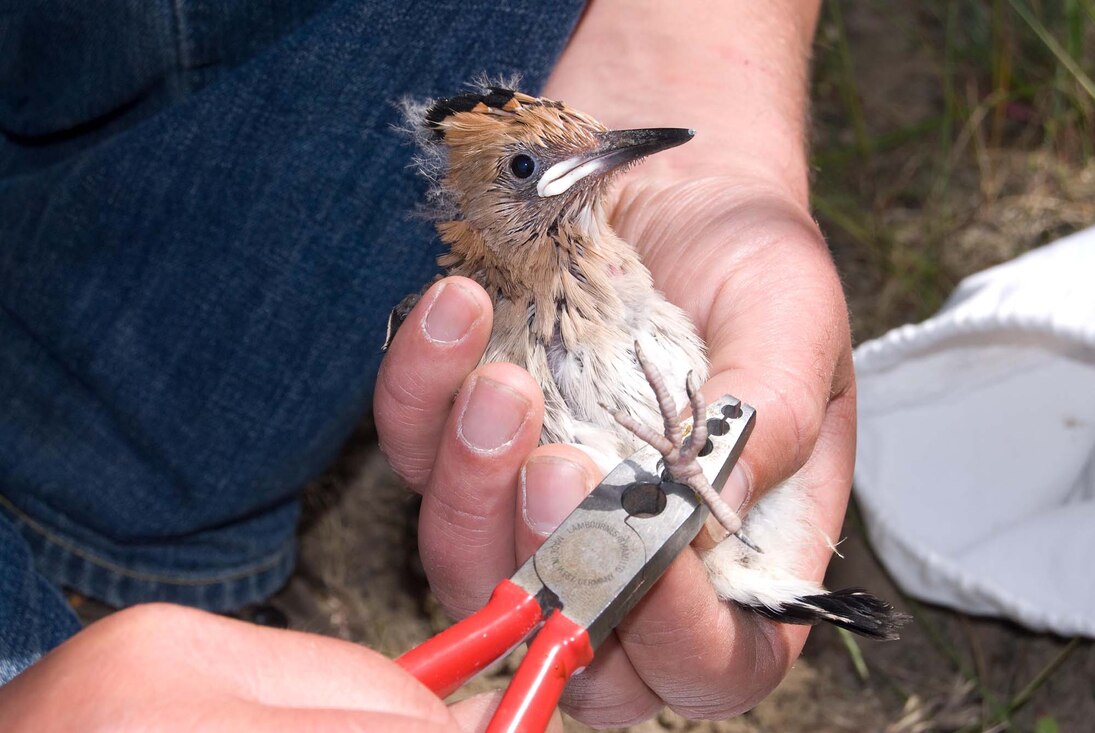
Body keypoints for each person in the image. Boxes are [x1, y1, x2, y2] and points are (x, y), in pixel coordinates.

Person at [0, 0, 851, 728]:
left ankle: (103, 541)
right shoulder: (499, 300)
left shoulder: (607, 259)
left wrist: (692, 73)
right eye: (528, 168)